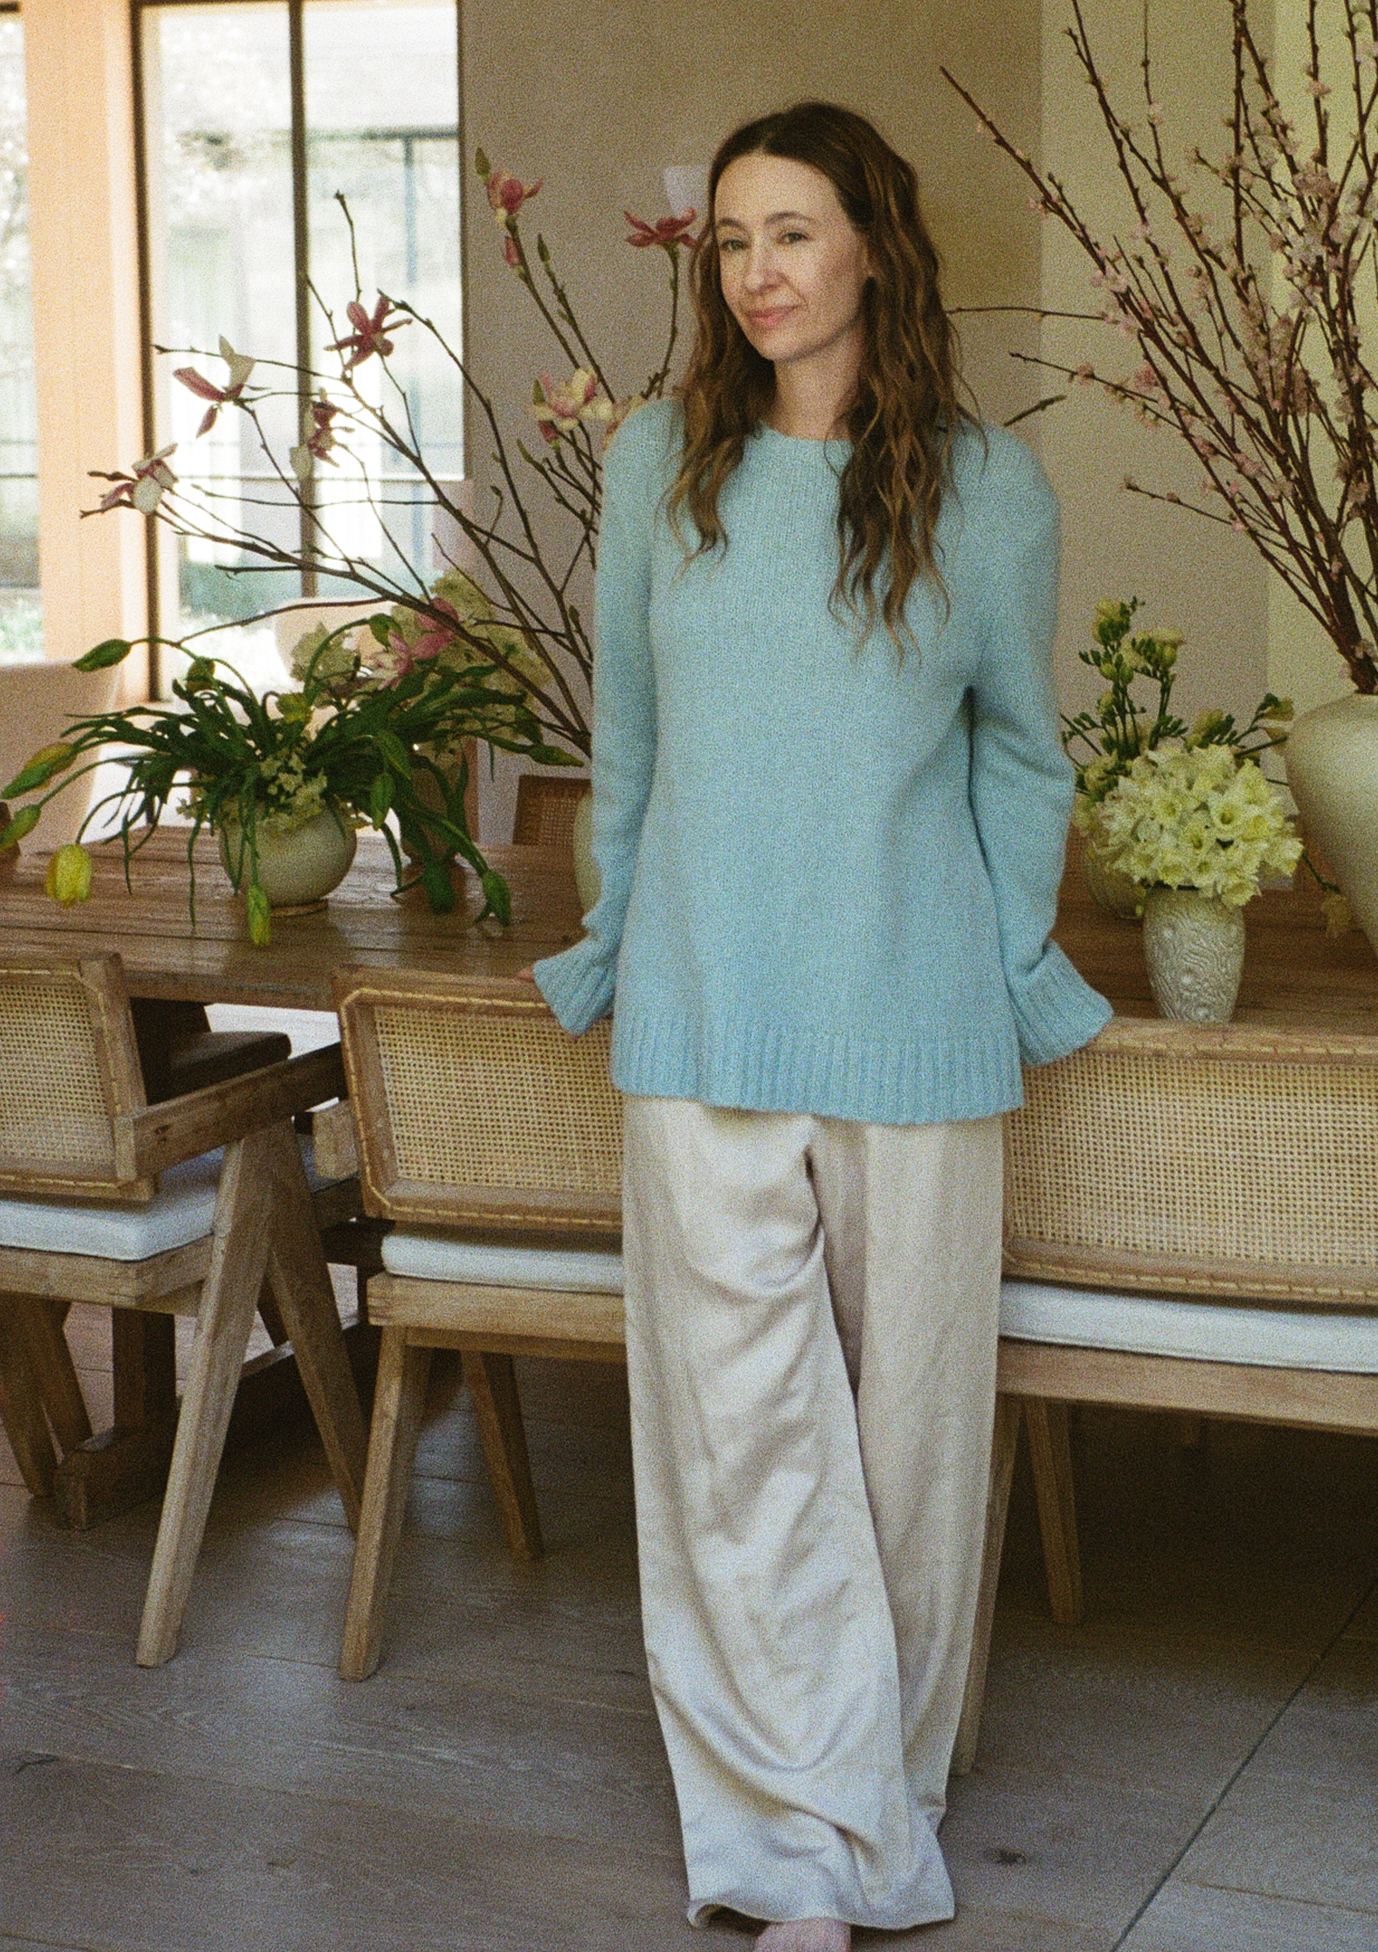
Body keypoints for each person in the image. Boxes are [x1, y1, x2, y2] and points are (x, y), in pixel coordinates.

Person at [526, 101, 1110, 1948]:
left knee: (913, 1445)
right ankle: (791, 1848)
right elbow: (631, 748)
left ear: (873, 246)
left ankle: (875, 1810)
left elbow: (1024, 757)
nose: (759, 274)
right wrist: (617, 939)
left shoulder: (982, 483)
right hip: (702, 1013)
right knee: (735, 1438)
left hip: (915, 1018)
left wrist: (1010, 966)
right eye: (732, 243)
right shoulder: (655, 469)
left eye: (793, 234)